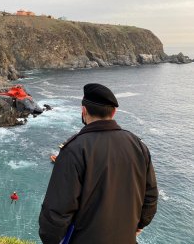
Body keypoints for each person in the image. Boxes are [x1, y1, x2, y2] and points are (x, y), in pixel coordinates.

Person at [39, 83, 158, 244]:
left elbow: (57, 211)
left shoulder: (74, 149)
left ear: (84, 111)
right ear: (114, 112)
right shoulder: (138, 145)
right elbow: (150, 197)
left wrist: (50, 239)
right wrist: (139, 223)